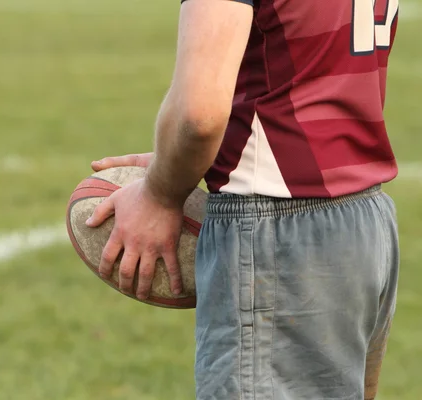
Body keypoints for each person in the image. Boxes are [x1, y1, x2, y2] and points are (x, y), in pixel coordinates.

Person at [85, 0, 400, 398]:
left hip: (278, 230)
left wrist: (159, 194)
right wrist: (176, 161)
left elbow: (198, 116)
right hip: (363, 219)